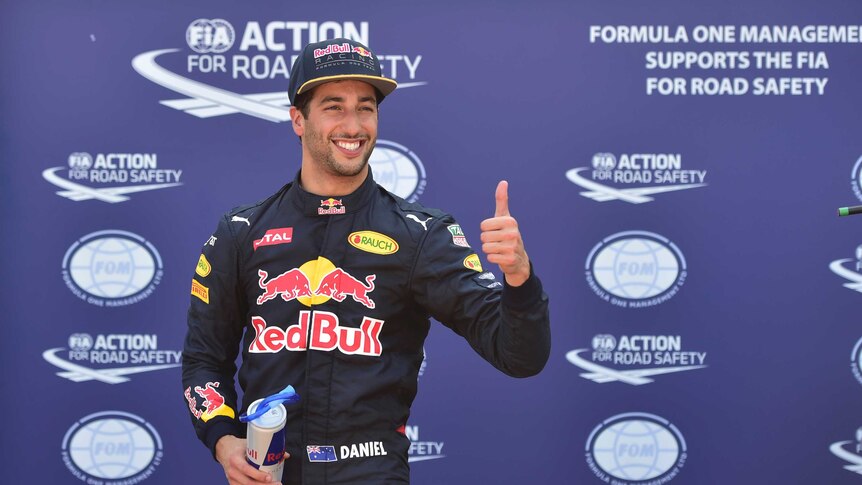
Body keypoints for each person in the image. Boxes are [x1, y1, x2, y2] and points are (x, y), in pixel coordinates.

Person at [182, 38, 551, 485]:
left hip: (371, 471)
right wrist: (223, 438)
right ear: (298, 119)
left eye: (366, 108)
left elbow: (519, 356)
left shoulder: (420, 235)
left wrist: (519, 278)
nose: (353, 125)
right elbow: (204, 359)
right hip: (270, 471)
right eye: (334, 107)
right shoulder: (241, 233)